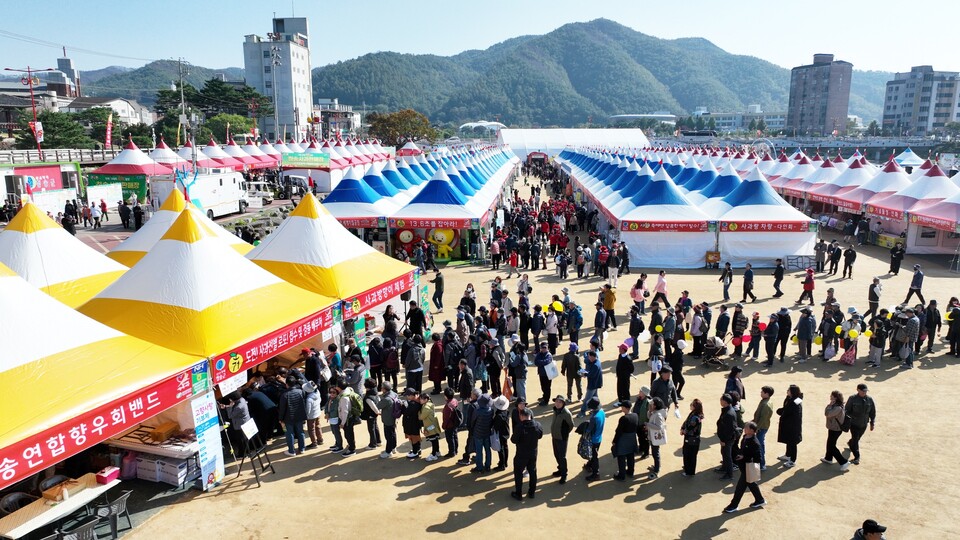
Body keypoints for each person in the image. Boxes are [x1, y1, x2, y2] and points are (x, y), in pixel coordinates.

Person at [722, 421, 766, 513]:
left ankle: (733, 505)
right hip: (744, 467)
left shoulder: (755, 443)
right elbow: (742, 449)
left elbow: (758, 458)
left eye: (746, 427)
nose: (744, 428)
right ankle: (760, 500)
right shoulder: (745, 437)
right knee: (752, 484)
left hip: (748, 469)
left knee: (740, 488)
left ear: (751, 430)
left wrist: (744, 457)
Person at [510, 408, 543, 500]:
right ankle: (532, 492)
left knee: (518, 473)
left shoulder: (519, 427)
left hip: (521, 454)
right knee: (532, 472)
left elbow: (513, 440)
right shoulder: (537, 425)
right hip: (533, 453)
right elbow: (540, 435)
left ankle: (518, 493)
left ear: (521, 416)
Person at [844, 383, 876, 465]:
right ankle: (857, 457)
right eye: (863, 391)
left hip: (864, 424)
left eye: (865, 391)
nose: (864, 393)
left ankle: (850, 443)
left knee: (857, 439)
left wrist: (872, 422)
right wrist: (851, 417)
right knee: (856, 441)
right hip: (854, 424)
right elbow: (847, 410)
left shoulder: (869, 399)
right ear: (858, 390)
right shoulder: (852, 399)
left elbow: (872, 411)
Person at [278, 375, 307, 456]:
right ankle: (302, 448)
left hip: (288, 418)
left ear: (287, 384)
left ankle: (291, 451)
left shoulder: (284, 395)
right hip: (300, 416)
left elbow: (282, 409)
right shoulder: (301, 391)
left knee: (289, 434)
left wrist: (280, 419)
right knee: (300, 432)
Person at [822, 390, 850, 472]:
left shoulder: (837, 407)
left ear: (835, 398)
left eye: (832, 396)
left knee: (832, 446)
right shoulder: (838, 405)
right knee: (830, 443)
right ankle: (828, 458)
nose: (830, 397)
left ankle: (844, 462)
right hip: (833, 428)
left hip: (835, 429)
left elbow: (827, 414)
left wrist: (829, 406)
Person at [776, 384, 803, 468]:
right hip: (788, 425)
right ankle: (788, 455)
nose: (787, 391)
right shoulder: (792, 399)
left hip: (793, 426)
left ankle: (792, 460)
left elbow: (790, 411)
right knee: (789, 441)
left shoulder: (795, 402)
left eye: (789, 390)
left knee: (792, 443)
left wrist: (782, 412)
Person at [611, 400, 639, 481]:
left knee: (621, 457)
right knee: (630, 456)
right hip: (632, 438)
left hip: (623, 439)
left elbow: (619, 431)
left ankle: (621, 475)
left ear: (625, 408)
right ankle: (630, 472)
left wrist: (614, 441)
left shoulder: (623, 418)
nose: (621, 408)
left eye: (622, 407)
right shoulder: (635, 415)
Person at [550, 395, 574, 484]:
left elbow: (571, 425)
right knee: (556, 454)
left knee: (562, 457)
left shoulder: (566, 413)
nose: (557, 403)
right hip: (555, 436)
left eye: (559, 402)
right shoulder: (555, 410)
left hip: (562, 438)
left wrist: (564, 434)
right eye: (556, 401)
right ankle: (560, 469)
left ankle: (564, 474)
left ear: (563, 403)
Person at [716, 393, 739, 480]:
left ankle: (729, 474)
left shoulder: (729, 413)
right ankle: (724, 468)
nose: (720, 401)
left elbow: (729, 430)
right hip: (726, 438)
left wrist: (723, 440)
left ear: (725, 402)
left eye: (721, 400)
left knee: (727, 456)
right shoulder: (728, 410)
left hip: (727, 439)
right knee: (724, 453)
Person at [470, 394, 494, 473]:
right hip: (487, 433)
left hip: (478, 433)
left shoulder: (477, 411)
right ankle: (488, 465)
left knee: (479, 451)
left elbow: (473, 421)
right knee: (488, 450)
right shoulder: (491, 410)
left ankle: (479, 467)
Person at [752, 386, 774, 470]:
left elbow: (763, 418)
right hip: (762, 426)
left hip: (761, 427)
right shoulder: (765, 402)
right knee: (760, 444)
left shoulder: (765, 405)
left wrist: (756, 428)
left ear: (767, 394)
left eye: (762, 392)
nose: (760, 393)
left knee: (759, 446)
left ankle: (761, 465)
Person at [680, 399, 704, 476]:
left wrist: (684, 431)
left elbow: (690, 427)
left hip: (692, 438)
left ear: (695, 407)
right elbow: (686, 422)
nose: (690, 405)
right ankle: (687, 467)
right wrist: (682, 428)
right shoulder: (693, 414)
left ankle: (689, 471)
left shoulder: (696, 418)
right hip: (690, 437)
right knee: (687, 453)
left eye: (692, 404)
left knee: (690, 454)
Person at [645, 397, 667, 479]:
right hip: (653, 437)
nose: (650, 405)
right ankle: (656, 466)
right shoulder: (654, 412)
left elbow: (658, 427)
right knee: (654, 452)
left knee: (655, 453)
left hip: (656, 438)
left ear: (655, 405)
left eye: (651, 404)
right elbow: (649, 416)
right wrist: (650, 411)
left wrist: (648, 424)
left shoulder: (658, 415)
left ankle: (656, 470)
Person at [584, 397, 605, 481]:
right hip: (599, 437)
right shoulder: (602, 412)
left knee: (594, 456)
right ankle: (589, 465)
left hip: (593, 440)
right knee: (593, 455)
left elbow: (589, 430)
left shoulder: (594, 418)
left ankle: (596, 473)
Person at [418, 392, 442, 461]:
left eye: (421, 399)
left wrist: (419, 413)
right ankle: (437, 452)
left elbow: (421, 417)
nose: (420, 400)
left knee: (433, 440)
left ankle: (433, 454)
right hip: (433, 425)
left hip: (430, 426)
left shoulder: (426, 407)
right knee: (435, 440)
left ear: (425, 399)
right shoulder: (430, 404)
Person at [338, 382, 360, 456]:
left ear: (339, 388)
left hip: (347, 419)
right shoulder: (349, 389)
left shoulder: (344, 398)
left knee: (348, 434)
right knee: (350, 433)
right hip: (351, 416)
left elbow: (345, 412)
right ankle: (351, 445)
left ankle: (352, 449)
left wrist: (342, 423)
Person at [378, 382, 399, 458]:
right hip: (394, 417)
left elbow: (378, 406)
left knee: (388, 436)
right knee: (393, 434)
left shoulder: (386, 399)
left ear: (384, 389)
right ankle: (393, 447)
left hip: (388, 419)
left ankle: (388, 452)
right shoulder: (394, 394)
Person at [302, 381, 324, 450]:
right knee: (318, 426)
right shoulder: (317, 392)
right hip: (318, 413)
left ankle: (314, 443)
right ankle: (320, 440)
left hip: (311, 416)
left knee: (311, 429)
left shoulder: (309, 399)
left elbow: (308, 410)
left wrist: (306, 417)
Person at [361, 378, 382, 450]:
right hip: (374, 414)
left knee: (371, 429)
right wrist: (379, 411)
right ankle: (378, 441)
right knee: (375, 427)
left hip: (370, 415)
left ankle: (373, 444)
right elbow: (379, 401)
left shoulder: (368, 397)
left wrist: (377, 412)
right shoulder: (375, 393)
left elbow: (372, 406)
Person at [534, 342, 554, 406]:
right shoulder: (539, 354)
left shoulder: (549, 355)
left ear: (547, 348)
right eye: (542, 348)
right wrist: (542, 362)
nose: (544, 349)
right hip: (541, 374)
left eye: (545, 348)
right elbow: (536, 362)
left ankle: (546, 400)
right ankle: (544, 396)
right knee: (543, 386)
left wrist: (540, 362)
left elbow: (547, 361)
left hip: (548, 374)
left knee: (547, 388)